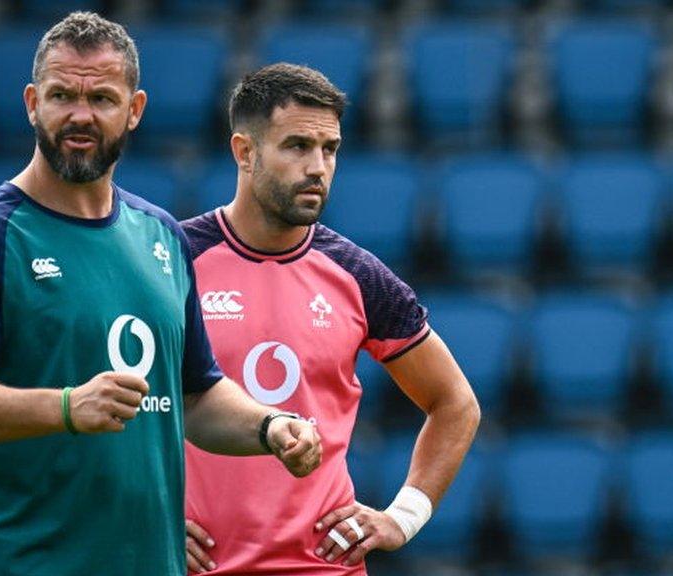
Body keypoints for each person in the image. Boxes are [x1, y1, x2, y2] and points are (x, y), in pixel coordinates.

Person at [0, 13, 322, 575]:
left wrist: (268, 427)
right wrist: (65, 407)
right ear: (32, 103)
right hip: (14, 561)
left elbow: (193, 395)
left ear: (134, 110)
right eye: (62, 95)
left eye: (103, 99)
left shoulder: (162, 234)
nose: (80, 115)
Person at [180, 62, 481, 575]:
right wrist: (146, 514)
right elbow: (110, 399)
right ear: (244, 152)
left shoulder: (356, 274)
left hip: (322, 566)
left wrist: (403, 517)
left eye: (330, 149)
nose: (318, 166)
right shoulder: (171, 260)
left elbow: (455, 404)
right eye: (297, 146)